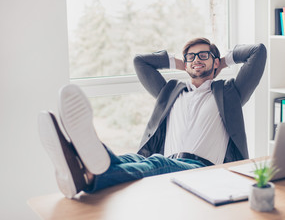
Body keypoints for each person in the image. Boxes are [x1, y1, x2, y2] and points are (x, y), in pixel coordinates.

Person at [38, 38, 267, 198]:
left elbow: (258, 51)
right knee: (130, 159)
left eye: (204, 55)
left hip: (201, 169)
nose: (197, 59)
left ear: (215, 61)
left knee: (156, 162)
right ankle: (79, 168)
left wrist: (222, 60)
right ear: (184, 64)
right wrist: (183, 63)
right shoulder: (169, 91)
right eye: (191, 56)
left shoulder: (230, 93)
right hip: (168, 160)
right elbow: (141, 62)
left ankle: (83, 171)